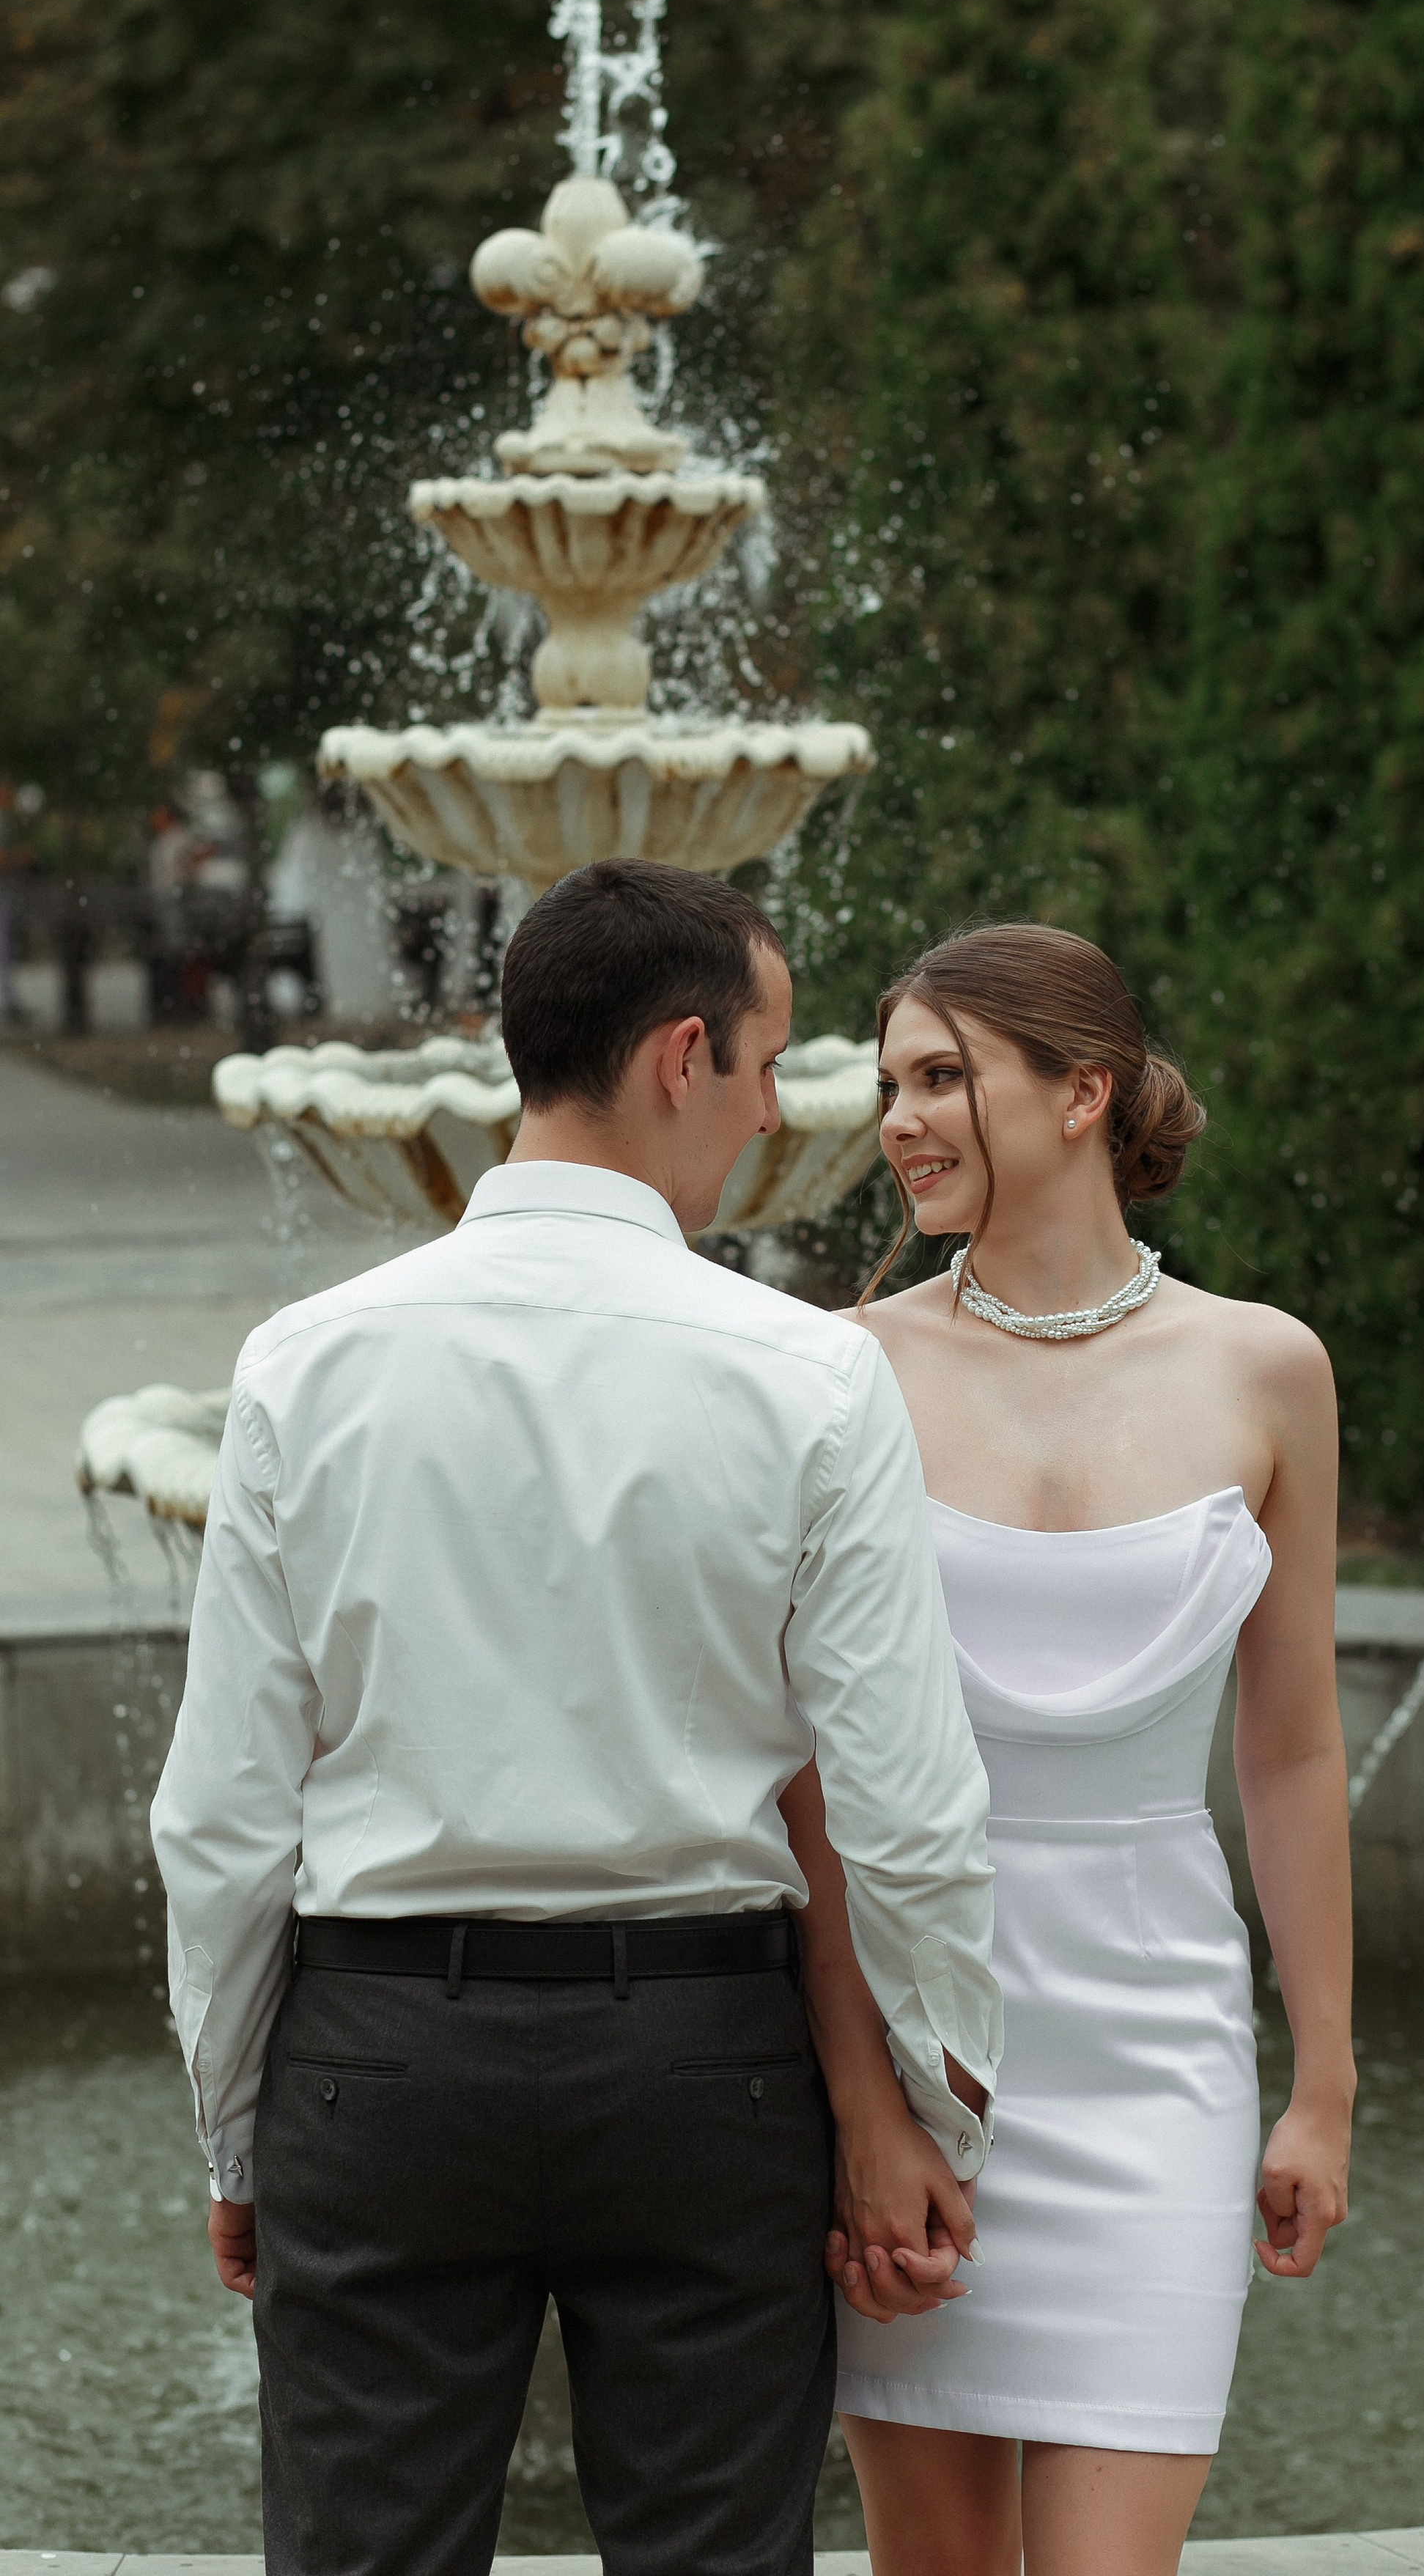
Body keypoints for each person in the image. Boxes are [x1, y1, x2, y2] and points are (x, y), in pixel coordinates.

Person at [150, 857, 1001, 2576]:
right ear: (680, 1055)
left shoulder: (304, 1363)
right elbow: (906, 1807)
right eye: (765, 1065)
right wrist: (927, 2110)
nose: (773, 1116)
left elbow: (227, 1808)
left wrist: (238, 2123)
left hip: (382, 2059)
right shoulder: (809, 1374)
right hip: (704, 2072)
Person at [786, 923, 1354, 2576]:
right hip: (918, 2064)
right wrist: (862, 2115)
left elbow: (1294, 1753)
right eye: (887, 1081)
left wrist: (1319, 2085)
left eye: (941, 1076)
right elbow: (803, 1780)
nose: (897, 1118)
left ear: (1084, 1094)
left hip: (1158, 2062)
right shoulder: (844, 1372)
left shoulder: (1266, 1370)